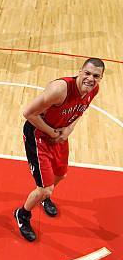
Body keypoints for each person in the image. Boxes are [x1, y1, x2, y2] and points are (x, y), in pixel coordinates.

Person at [14, 58, 105, 242]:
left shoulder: (93, 90)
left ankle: (44, 198)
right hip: (38, 134)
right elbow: (28, 113)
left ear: (101, 78)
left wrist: (69, 129)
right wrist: (52, 132)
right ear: (79, 71)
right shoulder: (59, 90)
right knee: (45, 189)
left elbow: (80, 111)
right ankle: (22, 214)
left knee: (61, 175)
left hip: (58, 133)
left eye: (96, 76)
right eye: (87, 73)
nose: (90, 79)